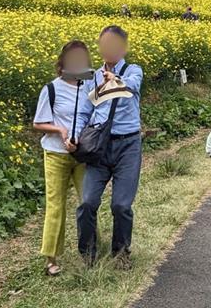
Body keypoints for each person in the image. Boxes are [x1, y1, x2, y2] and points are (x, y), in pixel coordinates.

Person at [77, 25, 145, 269]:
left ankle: (121, 253)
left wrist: (116, 80)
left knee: (121, 205)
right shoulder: (93, 76)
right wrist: (75, 137)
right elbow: (86, 109)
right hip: (99, 146)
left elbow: (131, 87)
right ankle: (87, 255)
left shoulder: (133, 70)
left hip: (128, 145)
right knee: (87, 202)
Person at [32, 41, 95, 276]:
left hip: (82, 154)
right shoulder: (51, 89)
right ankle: (51, 258)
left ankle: (90, 250)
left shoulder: (90, 86)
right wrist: (60, 131)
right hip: (56, 154)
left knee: (88, 202)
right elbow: (38, 123)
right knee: (56, 206)